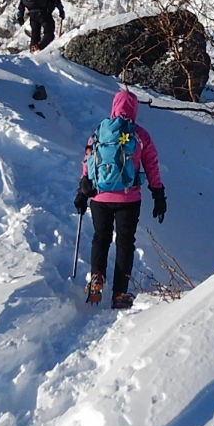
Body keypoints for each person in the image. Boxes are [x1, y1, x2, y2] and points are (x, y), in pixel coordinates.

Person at [74, 89, 166, 309]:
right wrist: (158, 194)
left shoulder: (100, 131)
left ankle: (96, 280)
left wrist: (82, 190)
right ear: (134, 109)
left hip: (99, 196)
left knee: (101, 237)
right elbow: (151, 165)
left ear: (114, 106)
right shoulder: (139, 135)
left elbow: (88, 159)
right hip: (128, 198)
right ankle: (119, 294)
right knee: (125, 242)